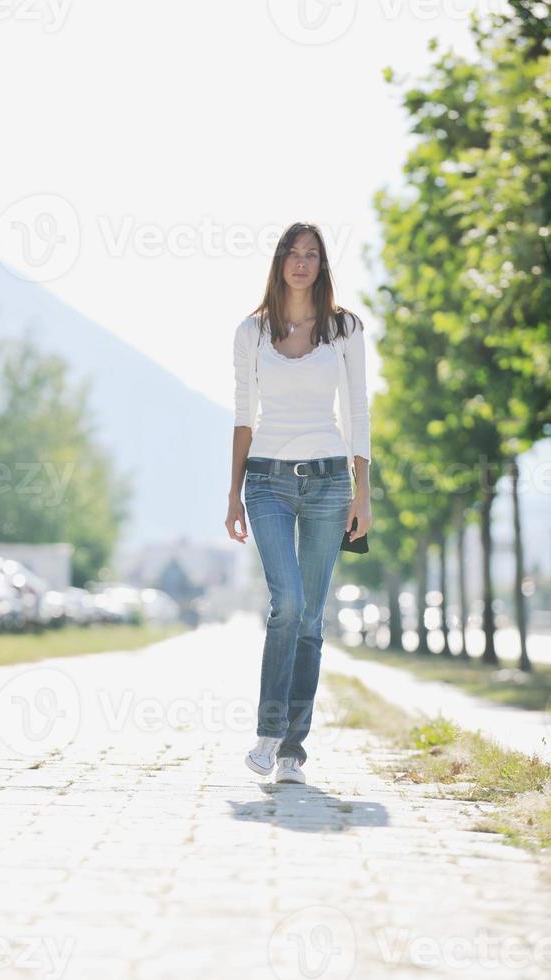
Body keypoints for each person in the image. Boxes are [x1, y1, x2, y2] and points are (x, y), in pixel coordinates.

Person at [224, 221, 372, 785]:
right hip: (265, 481)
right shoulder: (252, 331)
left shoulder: (344, 329)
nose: (302, 263)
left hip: (331, 482)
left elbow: (357, 411)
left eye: (312, 254)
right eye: (293, 252)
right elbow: (243, 414)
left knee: (311, 619)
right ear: (280, 261)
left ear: (323, 265)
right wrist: (232, 493)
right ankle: (268, 729)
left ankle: (292, 752)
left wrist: (364, 494)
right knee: (286, 601)